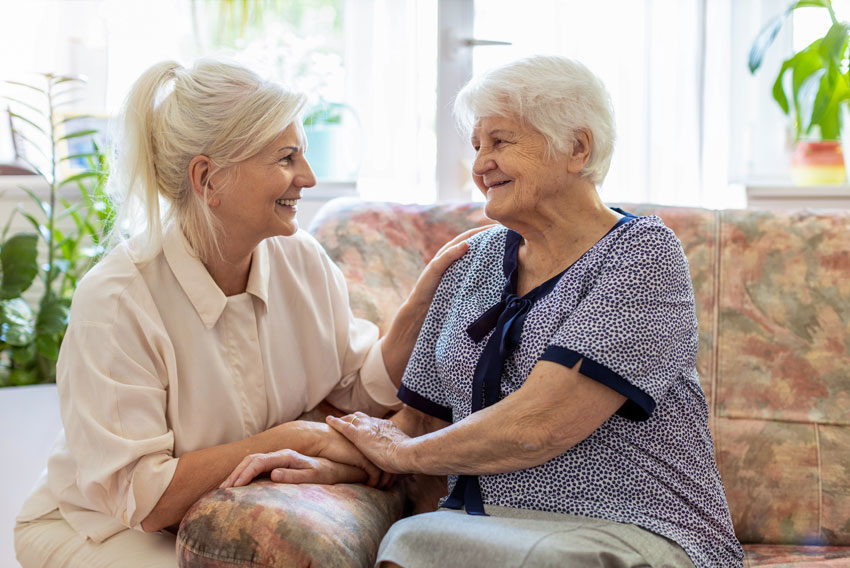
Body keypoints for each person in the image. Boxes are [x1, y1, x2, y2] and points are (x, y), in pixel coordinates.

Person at [227, 55, 745, 567]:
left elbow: (541, 422)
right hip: (478, 526)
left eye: (500, 142)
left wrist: (402, 455)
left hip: (633, 526)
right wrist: (328, 456)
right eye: (476, 147)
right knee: (416, 539)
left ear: (576, 147)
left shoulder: (641, 255)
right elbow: (414, 424)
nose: (479, 166)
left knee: (438, 546)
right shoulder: (470, 262)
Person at [13, 58, 478, 568]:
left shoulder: (299, 256)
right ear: (208, 178)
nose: (308, 176)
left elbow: (358, 386)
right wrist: (293, 438)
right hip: (101, 530)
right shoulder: (116, 301)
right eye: (286, 157)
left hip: (220, 513)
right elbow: (143, 498)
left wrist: (420, 306)